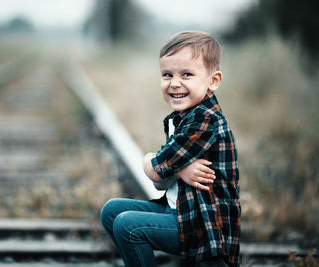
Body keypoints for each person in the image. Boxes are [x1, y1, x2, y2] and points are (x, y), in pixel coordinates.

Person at [101, 31, 241, 267]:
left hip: (202, 227)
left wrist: (152, 160)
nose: (175, 83)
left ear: (213, 81)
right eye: (167, 74)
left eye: (187, 74)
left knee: (128, 226)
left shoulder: (204, 120)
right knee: (112, 211)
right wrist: (177, 170)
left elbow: (156, 171)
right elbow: (160, 182)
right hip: (179, 212)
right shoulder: (182, 118)